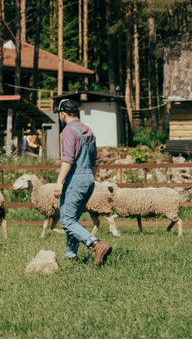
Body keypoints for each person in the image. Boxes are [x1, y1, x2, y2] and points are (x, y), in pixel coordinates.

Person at [53, 98, 112, 267]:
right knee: (72, 220)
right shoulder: (88, 130)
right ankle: (71, 257)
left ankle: (96, 244)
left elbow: (68, 159)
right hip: (88, 180)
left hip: (75, 181)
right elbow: (95, 160)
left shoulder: (68, 131)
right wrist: (89, 179)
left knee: (66, 222)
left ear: (63, 114)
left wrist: (59, 181)